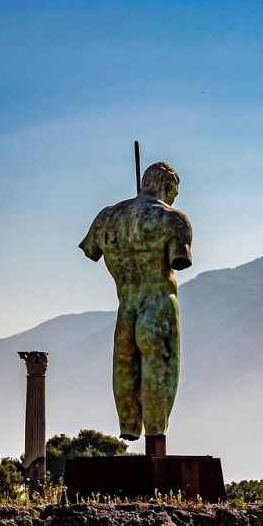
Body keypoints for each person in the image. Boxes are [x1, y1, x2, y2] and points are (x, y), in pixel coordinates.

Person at [79, 162, 192, 442]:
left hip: (126, 309)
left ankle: (129, 425)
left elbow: (91, 250)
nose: (173, 200)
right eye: (174, 193)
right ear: (167, 186)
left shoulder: (106, 218)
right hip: (158, 304)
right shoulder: (174, 220)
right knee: (160, 370)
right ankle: (155, 433)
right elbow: (179, 261)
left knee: (124, 369)